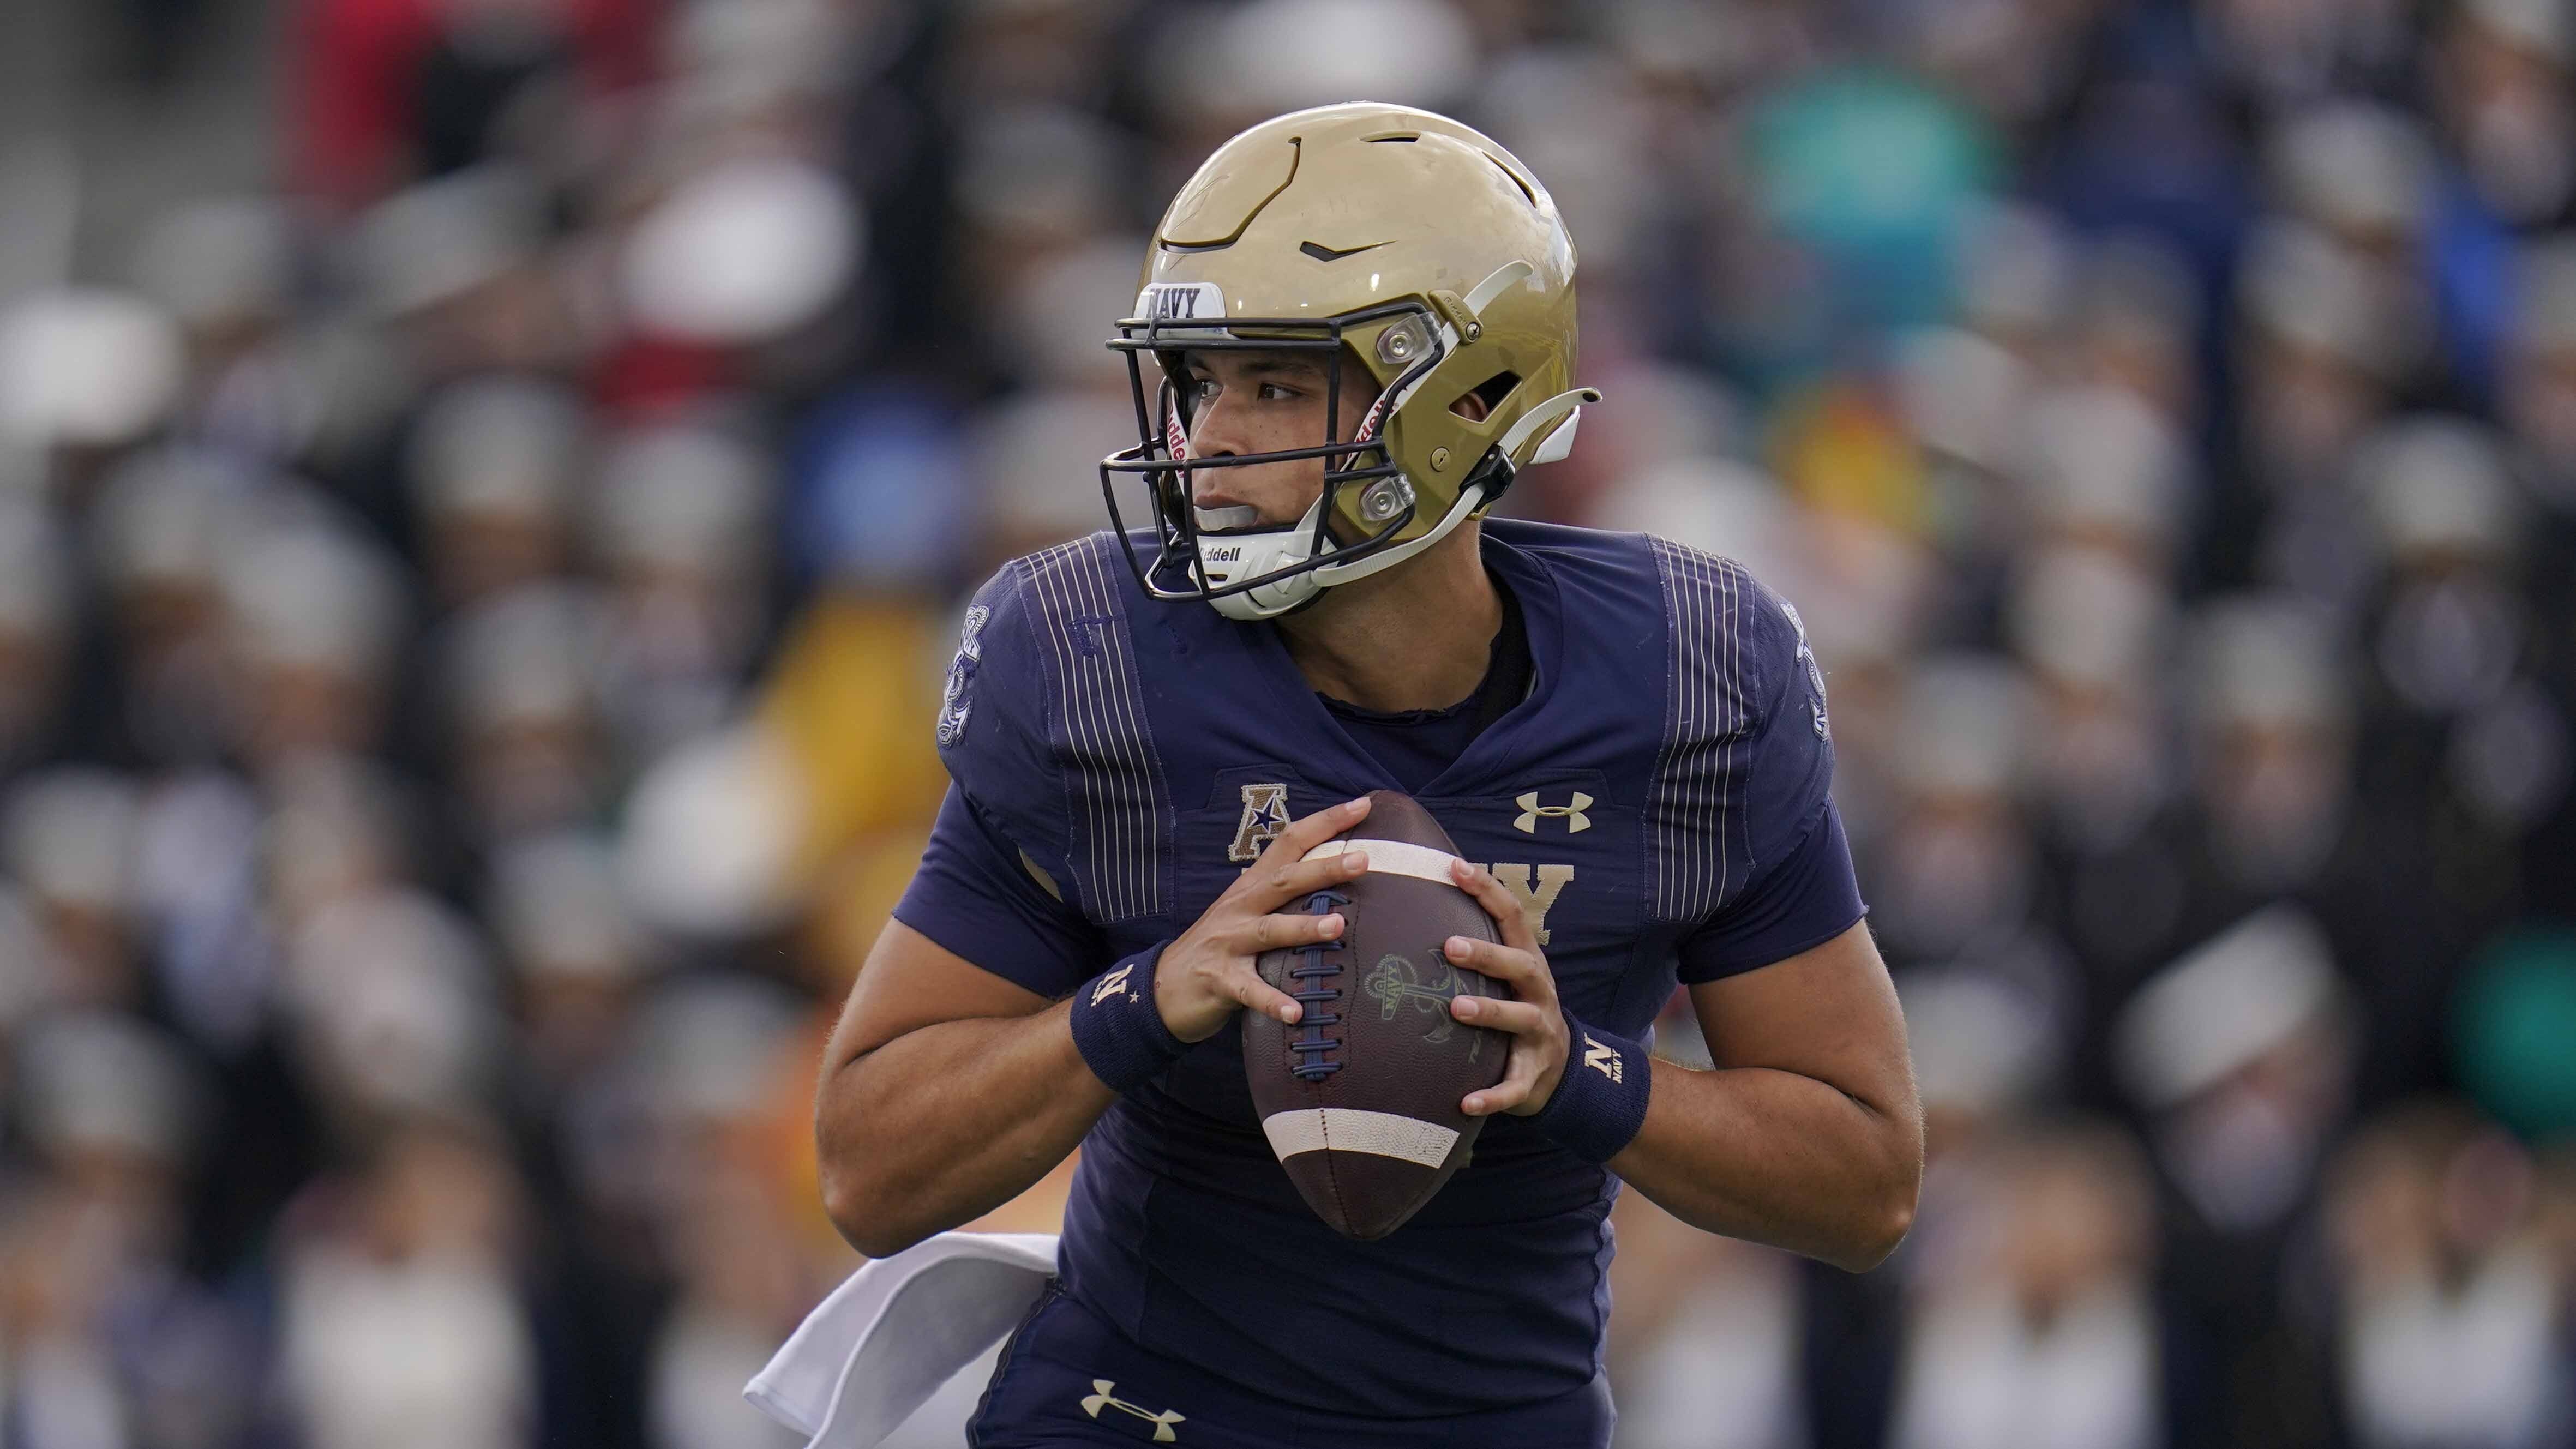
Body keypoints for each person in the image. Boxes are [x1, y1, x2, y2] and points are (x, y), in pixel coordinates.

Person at [814, 103, 1922, 1446]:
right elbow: (869, 1166)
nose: (1207, 441)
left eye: (1275, 384)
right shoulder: (1095, 667)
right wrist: (1146, 1000)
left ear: (1466, 398)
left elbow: (1865, 1182)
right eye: (1196, 382)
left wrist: (1580, 1071)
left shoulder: (1689, 681)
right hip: (1138, 1412)